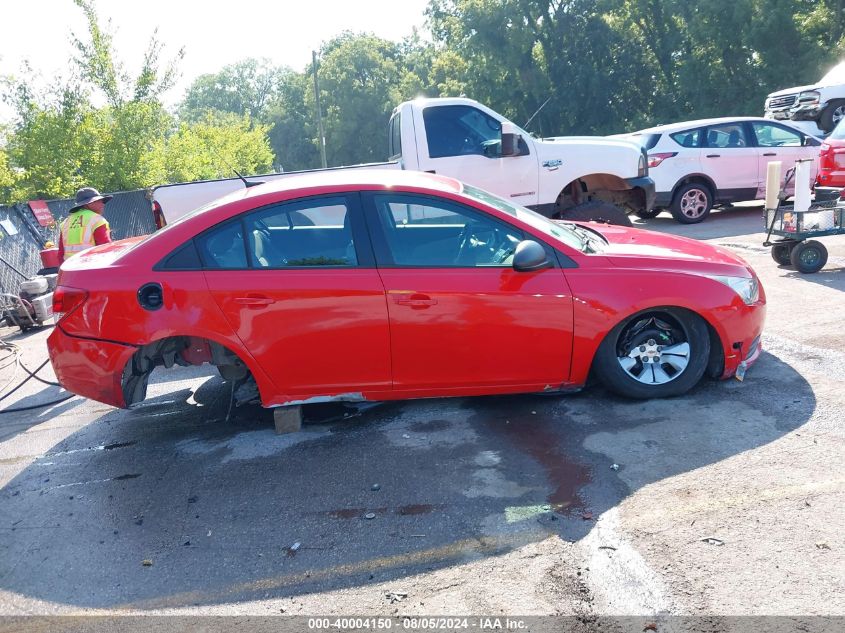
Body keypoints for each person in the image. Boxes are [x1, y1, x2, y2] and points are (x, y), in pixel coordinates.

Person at [58, 187, 113, 262]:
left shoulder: (66, 222)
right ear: (88, 203)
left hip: (70, 269)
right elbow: (106, 248)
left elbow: (61, 253)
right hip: (91, 267)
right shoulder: (97, 220)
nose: (102, 204)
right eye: (98, 201)